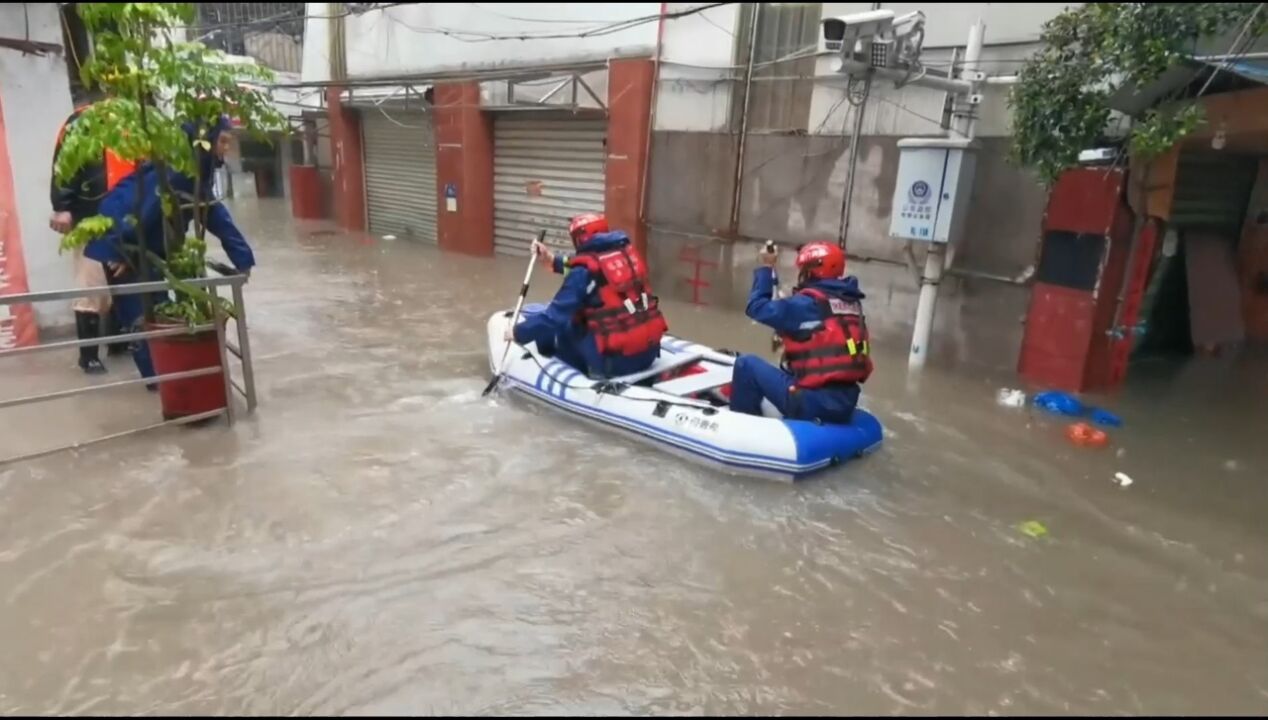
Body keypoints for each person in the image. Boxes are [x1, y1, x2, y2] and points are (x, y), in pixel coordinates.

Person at [85, 115, 256, 381]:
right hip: (123, 241)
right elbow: (144, 212)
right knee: (142, 316)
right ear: (205, 141)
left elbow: (211, 213)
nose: (226, 147)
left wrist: (243, 259)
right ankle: (160, 382)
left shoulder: (195, 170)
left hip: (144, 243)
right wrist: (125, 253)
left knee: (159, 312)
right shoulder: (180, 173)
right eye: (222, 141)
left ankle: (167, 378)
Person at [508, 213, 667, 378]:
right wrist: (550, 259)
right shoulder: (627, 256)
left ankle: (555, 364)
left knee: (558, 327)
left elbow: (553, 318)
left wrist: (517, 332)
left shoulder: (582, 273)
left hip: (615, 363)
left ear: (580, 239)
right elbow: (591, 271)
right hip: (649, 352)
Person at [730, 240, 871, 424]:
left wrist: (766, 266)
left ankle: (742, 425)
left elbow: (756, 307)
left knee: (745, 364)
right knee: (788, 367)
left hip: (811, 403)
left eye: (804, 269)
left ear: (813, 270)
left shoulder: (806, 304)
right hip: (845, 403)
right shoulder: (852, 305)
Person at [49, 97, 138, 373]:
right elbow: (65, 164)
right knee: (91, 284)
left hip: (125, 218)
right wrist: (63, 207)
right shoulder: (81, 122)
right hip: (90, 217)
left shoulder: (134, 122)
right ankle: (88, 355)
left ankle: (118, 343)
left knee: (121, 280)